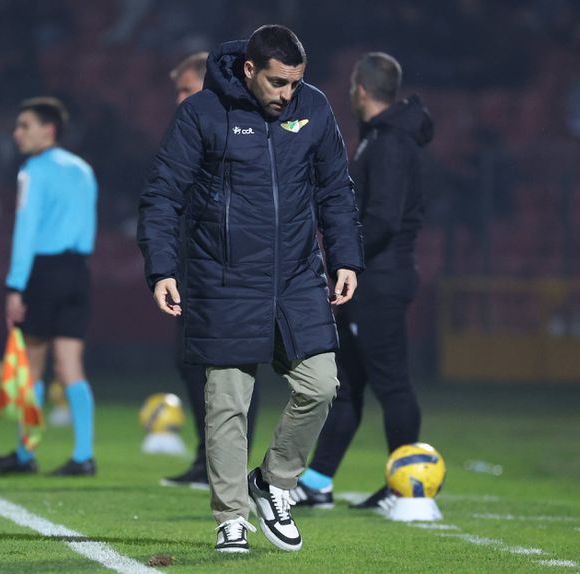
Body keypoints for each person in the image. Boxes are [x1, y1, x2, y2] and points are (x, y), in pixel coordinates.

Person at [138, 25, 364, 553]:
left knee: (321, 385)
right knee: (228, 405)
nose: (289, 95)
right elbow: (162, 195)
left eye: (296, 83)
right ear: (249, 70)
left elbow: (335, 188)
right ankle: (230, 519)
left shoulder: (315, 108)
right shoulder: (201, 113)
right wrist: (163, 268)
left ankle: (274, 480)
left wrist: (346, 258)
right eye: (279, 82)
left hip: (297, 280)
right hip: (224, 279)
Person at [291, 52, 434, 510]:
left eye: (352, 86)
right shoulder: (380, 138)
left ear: (361, 90)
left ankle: (406, 487)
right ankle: (316, 481)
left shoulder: (389, 143)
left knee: (391, 384)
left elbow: (382, 220)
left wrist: (342, 257)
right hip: (370, 279)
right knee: (347, 384)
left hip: (381, 279)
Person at [160, 51, 261, 490]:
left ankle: (227, 463)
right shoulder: (190, 129)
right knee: (191, 362)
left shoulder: (229, 130)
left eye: (185, 88)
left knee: (233, 365)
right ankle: (208, 458)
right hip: (194, 260)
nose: (179, 97)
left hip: (229, 266)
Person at [0, 97, 99, 477]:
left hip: (44, 271)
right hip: (78, 271)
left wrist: (14, 285)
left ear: (48, 129)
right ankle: (83, 455)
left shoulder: (32, 171)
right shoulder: (84, 170)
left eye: (24, 125)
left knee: (32, 368)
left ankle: (25, 454)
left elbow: (26, 230)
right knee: (71, 367)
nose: (16, 133)